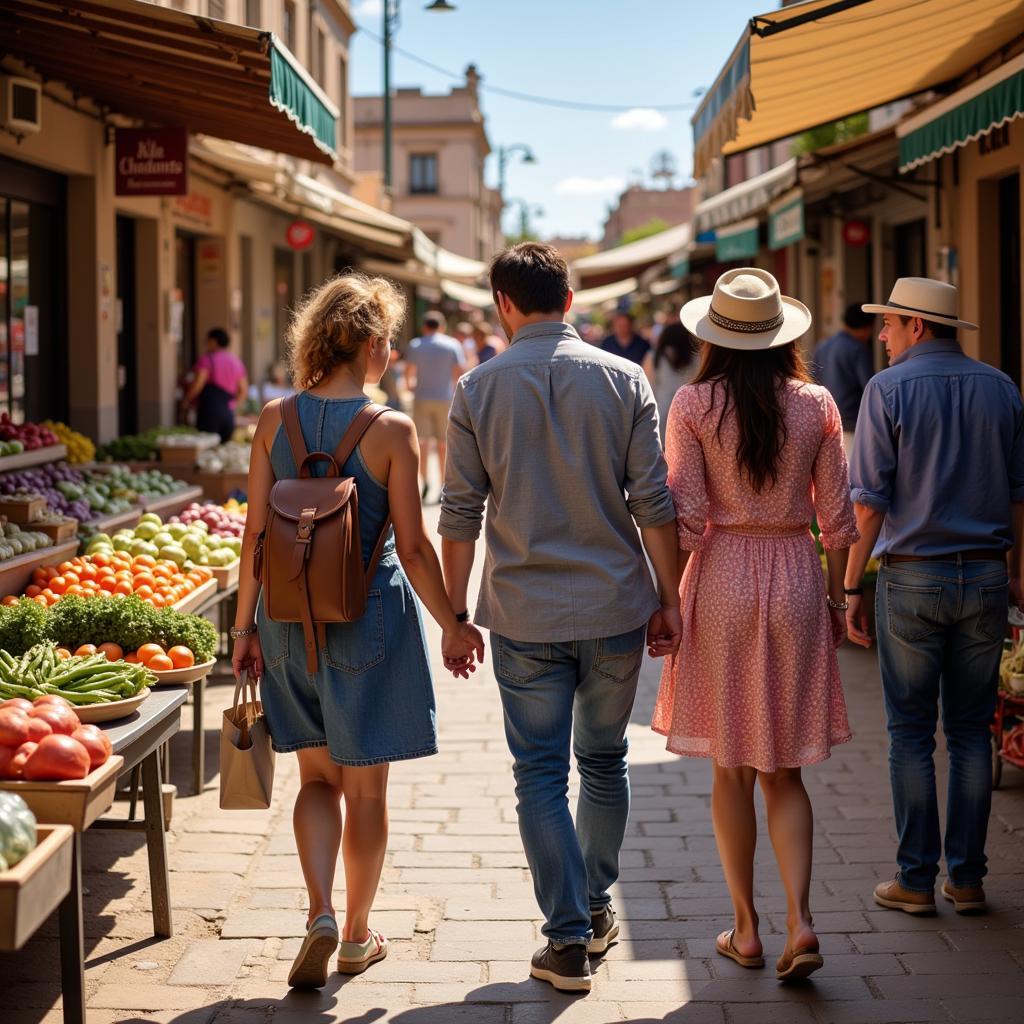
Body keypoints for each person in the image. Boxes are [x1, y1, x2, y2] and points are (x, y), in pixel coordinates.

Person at [439, 243, 682, 994]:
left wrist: (453, 615)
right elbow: (654, 502)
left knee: (539, 772)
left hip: (523, 611)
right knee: (604, 760)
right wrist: (670, 598)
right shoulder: (625, 378)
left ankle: (567, 938)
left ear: (503, 305)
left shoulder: (477, 386)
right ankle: (599, 907)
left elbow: (459, 514)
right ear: (571, 299)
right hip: (614, 605)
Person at [231, 274, 484, 990]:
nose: (392, 353)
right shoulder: (391, 430)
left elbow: (255, 533)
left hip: (284, 620)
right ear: (371, 346)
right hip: (368, 619)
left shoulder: (274, 420)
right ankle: (355, 934)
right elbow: (415, 543)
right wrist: (454, 625)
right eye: (389, 342)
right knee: (366, 793)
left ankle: (315, 909)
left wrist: (242, 625)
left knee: (314, 778)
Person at [652, 268, 858, 982]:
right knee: (785, 771)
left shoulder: (693, 404)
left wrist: (668, 600)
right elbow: (838, 522)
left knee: (731, 771)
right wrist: (837, 600)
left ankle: (745, 930)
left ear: (714, 335)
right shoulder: (817, 404)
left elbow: (682, 515)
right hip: (797, 577)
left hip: (724, 579)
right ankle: (802, 920)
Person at [845, 278, 1024, 917]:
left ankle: (916, 881)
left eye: (889, 325)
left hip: (912, 574)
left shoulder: (887, 390)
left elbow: (868, 503)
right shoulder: (1001, 387)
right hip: (984, 575)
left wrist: (849, 585)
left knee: (912, 733)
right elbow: (1016, 492)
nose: (884, 338)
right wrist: (1016, 570)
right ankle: (968, 879)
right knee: (973, 731)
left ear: (917, 325)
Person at [403, 311, 466, 501]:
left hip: (422, 397)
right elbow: (459, 372)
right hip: (445, 398)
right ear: (442, 326)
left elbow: (408, 373)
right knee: (443, 444)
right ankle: (442, 485)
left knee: (422, 442)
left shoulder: (416, 344)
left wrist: (411, 386)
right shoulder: (452, 344)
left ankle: (424, 481)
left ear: (425, 326)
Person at [811, 304, 876, 456]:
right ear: (866, 328)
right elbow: (870, 388)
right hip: (852, 424)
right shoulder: (858, 349)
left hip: (825, 423)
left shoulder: (823, 345)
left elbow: (813, 381)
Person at [185, 327, 248, 442]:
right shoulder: (236, 362)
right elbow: (243, 390)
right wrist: (232, 405)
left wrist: (186, 400)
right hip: (228, 414)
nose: (206, 344)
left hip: (209, 412)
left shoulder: (207, 360)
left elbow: (198, 384)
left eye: (207, 341)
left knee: (206, 450)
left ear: (214, 341)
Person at [642, 320, 699, 440]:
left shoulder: (653, 357)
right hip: (692, 414)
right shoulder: (696, 357)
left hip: (663, 415)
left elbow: (647, 390)